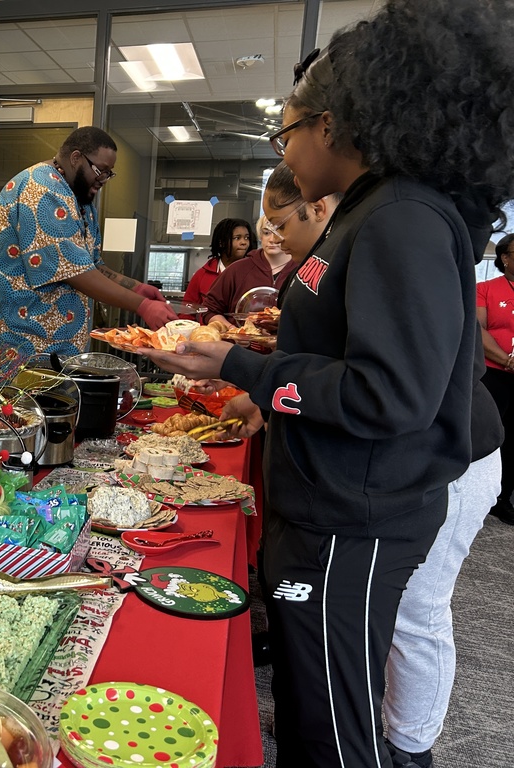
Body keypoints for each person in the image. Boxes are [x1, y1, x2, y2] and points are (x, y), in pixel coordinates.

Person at [139, 2, 514, 764]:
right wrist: (261, 369)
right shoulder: (364, 213)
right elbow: (339, 337)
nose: (286, 152)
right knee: (313, 704)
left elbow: (390, 394)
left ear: (332, 125)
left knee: (335, 728)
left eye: (286, 131)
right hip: (327, 503)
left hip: (354, 517)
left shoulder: (402, 217)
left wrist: (240, 364)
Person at [0, 127, 175, 361]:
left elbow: (90, 265)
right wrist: (143, 306)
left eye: (109, 174)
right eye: (101, 171)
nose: (103, 180)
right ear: (76, 158)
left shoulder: (79, 200)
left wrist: (135, 287)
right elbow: (74, 271)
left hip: (51, 350)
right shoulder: (40, 189)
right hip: (16, 347)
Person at [476, 232, 514, 525]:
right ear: (505, 258)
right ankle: (476, 492)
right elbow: (479, 330)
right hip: (494, 375)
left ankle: (502, 498)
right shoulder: (486, 288)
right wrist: (507, 360)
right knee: (487, 433)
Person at [203, 213, 296, 326]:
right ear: (260, 236)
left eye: (278, 232)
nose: (272, 239)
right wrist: (234, 331)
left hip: (285, 343)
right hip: (238, 343)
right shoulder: (237, 270)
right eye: (267, 233)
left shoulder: (304, 270)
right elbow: (209, 310)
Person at [179, 217, 254, 315]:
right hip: (207, 329)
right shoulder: (202, 275)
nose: (244, 242)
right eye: (237, 238)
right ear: (221, 243)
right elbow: (186, 312)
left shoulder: (254, 273)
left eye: (246, 238)